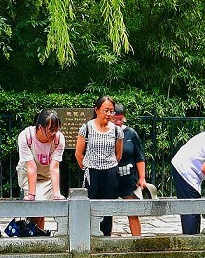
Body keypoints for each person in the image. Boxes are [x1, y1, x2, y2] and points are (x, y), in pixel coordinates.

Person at [75, 95, 125, 237]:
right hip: (92, 173)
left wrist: (109, 166)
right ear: (96, 110)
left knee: (108, 207)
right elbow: (79, 154)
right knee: (90, 206)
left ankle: (106, 237)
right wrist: (87, 168)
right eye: (106, 110)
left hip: (110, 173)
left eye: (111, 111)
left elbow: (118, 155)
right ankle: (89, 236)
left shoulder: (117, 131)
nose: (109, 114)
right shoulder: (86, 128)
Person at [18, 110, 66, 234]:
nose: (54, 133)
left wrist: (57, 194)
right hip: (28, 174)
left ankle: (37, 234)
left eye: (57, 129)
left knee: (42, 206)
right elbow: (31, 167)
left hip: (47, 175)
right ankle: (35, 234)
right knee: (36, 203)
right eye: (51, 129)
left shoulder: (59, 139)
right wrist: (31, 195)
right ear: (40, 127)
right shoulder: (26, 136)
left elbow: (54, 167)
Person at [111, 103, 147, 236]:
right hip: (111, 178)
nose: (119, 122)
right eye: (116, 119)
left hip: (128, 178)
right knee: (107, 213)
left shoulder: (131, 133)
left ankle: (137, 241)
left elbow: (139, 156)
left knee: (132, 212)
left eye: (121, 119)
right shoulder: (105, 133)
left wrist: (142, 177)